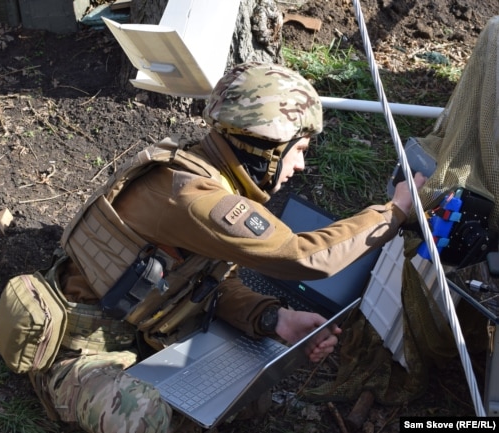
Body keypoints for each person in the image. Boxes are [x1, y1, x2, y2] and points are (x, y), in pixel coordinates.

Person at [27, 62, 426, 433]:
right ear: (265, 148)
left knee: (251, 393)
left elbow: (202, 284)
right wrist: (394, 211)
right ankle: (74, 391)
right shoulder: (196, 197)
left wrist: (273, 318)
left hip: (143, 331)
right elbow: (305, 256)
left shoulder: (204, 174)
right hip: (82, 350)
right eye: (299, 150)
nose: (301, 166)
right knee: (141, 413)